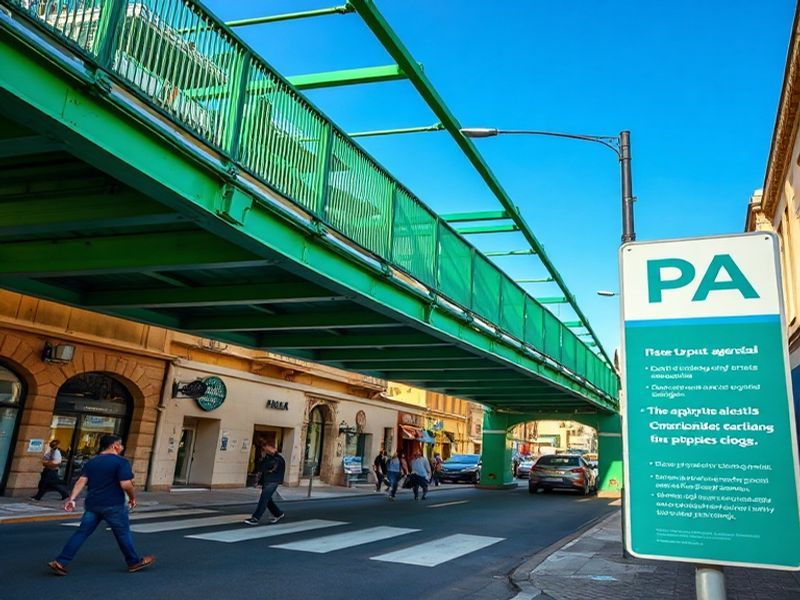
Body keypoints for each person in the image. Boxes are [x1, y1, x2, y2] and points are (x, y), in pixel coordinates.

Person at [48, 435, 154, 576]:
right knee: (122, 533)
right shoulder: (121, 462)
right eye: (120, 445)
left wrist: (71, 498)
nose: (121, 447)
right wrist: (132, 497)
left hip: (93, 504)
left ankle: (61, 561)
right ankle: (134, 562)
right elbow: (126, 484)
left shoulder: (93, 462)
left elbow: (81, 481)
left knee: (81, 533)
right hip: (113, 504)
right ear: (115, 446)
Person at [244, 441, 285, 525]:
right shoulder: (267, 457)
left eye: (267, 448)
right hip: (267, 481)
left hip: (273, 481)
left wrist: (266, 461)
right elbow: (261, 468)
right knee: (268, 499)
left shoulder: (278, 458)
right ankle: (278, 513)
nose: (266, 450)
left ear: (273, 448)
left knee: (264, 498)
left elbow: (272, 468)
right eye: (264, 449)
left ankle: (256, 517)